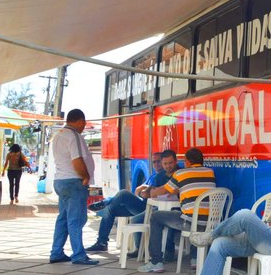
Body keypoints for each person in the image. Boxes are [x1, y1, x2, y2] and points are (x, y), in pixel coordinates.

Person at [137, 147, 216, 273]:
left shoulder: (181, 174)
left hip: (189, 223)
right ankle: (195, 258)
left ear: (188, 162)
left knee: (156, 217)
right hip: (211, 223)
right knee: (196, 217)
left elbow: (161, 191)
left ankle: (156, 261)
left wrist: (152, 191)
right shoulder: (210, 173)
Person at [85, 151, 180, 253]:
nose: (167, 166)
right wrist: (149, 189)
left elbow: (151, 193)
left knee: (123, 194)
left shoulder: (179, 174)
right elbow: (142, 192)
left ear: (175, 161)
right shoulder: (158, 176)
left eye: (170, 163)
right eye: (164, 163)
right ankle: (102, 243)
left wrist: (150, 190)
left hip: (155, 209)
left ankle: (140, 250)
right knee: (110, 209)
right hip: (145, 204)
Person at [48, 109, 99, 265]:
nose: (83, 126)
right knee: (76, 219)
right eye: (83, 123)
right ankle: (78, 254)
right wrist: (85, 176)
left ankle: (57, 252)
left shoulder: (58, 135)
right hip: (73, 181)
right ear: (79, 121)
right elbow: (76, 160)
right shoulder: (73, 135)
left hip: (61, 181)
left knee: (63, 218)